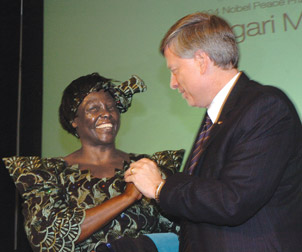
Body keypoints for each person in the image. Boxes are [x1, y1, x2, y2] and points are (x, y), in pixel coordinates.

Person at [125, 12, 302, 251]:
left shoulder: (265, 107)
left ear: (201, 60)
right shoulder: (216, 117)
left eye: (175, 69)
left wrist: (160, 187)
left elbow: (233, 202)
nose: (172, 83)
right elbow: (200, 212)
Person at [3, 73, 185, 252]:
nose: (106, 113)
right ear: (74, 120)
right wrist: (126, 198)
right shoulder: (48, 174)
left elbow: (182, 231)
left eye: (111, 107)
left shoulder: (148, 166)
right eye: (93, 108)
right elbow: (51, 237)